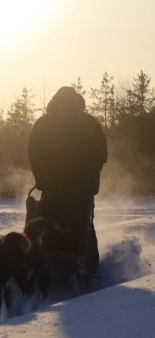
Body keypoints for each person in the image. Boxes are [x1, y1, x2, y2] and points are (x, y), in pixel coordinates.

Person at [27, 86, 107, 283]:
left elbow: (100, 155)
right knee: (46, 223)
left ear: (76, 104)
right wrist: (42, 178)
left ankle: (88, 266)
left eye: (69, 104)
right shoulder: (44, 124)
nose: (65, 108)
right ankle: (45, 262)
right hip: (52, 187)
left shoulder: (89, 124)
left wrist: (85, 177)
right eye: (62, 104)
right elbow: (34, 154)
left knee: (84, 225)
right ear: (56, 104)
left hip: (82, 189)